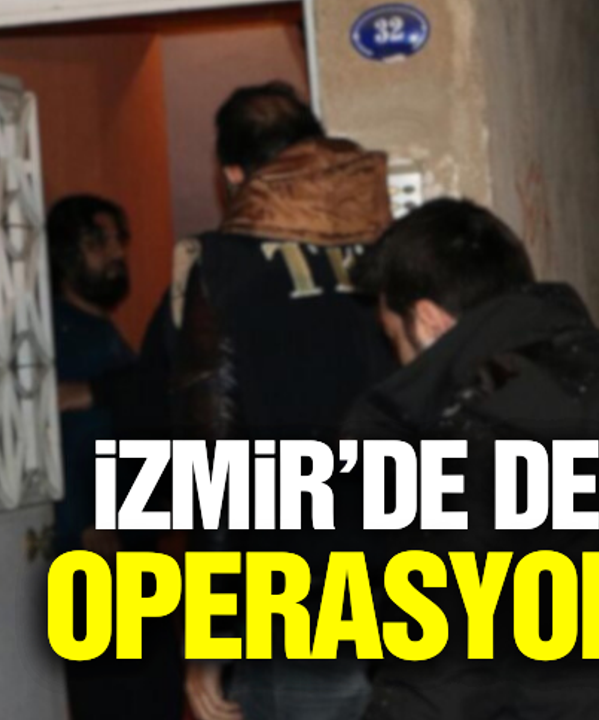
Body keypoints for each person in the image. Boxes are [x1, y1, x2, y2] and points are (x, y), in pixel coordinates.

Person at [343, 198, 599, 719]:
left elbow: (435, 689)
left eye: (394, 339)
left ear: (430, 321)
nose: (396, 361)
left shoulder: (467, 449)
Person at [172, 81, 397, 720]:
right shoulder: (395, 248)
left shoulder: (218, 267)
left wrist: (209, 638)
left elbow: (211, 460)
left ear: (233, 175)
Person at [48, 194, 184, 720]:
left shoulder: (103, 334)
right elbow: (63, 441)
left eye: (117, 240)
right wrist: (84, 524)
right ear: (65, 255)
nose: (116, 253)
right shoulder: (59, 336)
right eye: (97, 241)